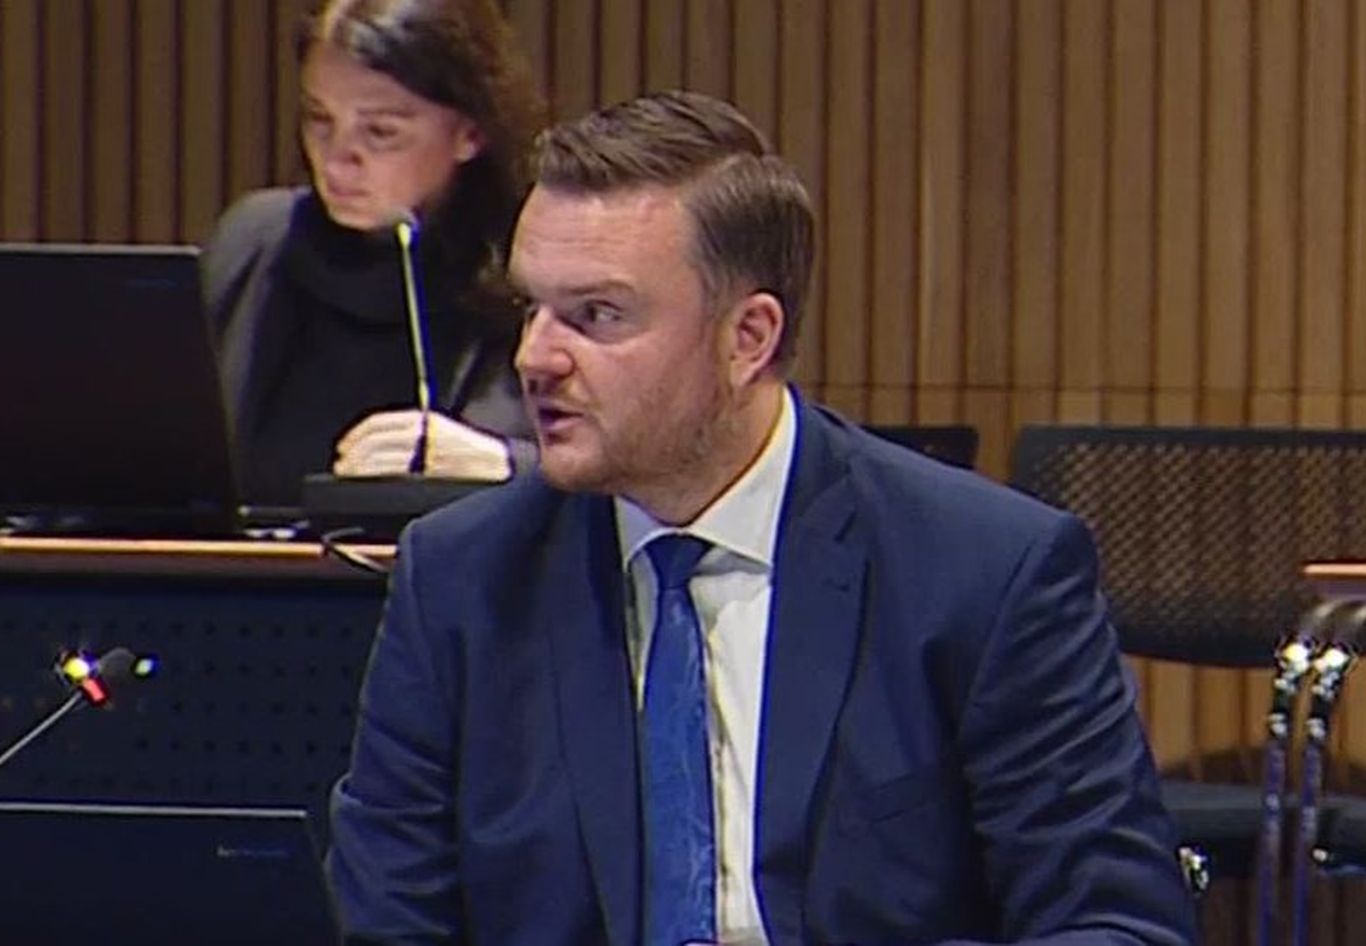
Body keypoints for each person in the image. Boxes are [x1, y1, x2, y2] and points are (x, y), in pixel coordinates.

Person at [327, 90, 1197, 945]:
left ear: (748, 337)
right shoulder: (464, 580)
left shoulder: (982, 574)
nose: (536, 357)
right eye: (532, 308)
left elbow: (1115, 924)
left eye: (597, 316)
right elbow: (392, 920)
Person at [201, 0, 544, 506]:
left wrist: (507, 466)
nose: (337, 160)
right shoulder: (257, 244)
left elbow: (628, 472)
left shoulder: (539, 266)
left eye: (380, 131)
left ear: (471, 132)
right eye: (320, 120)